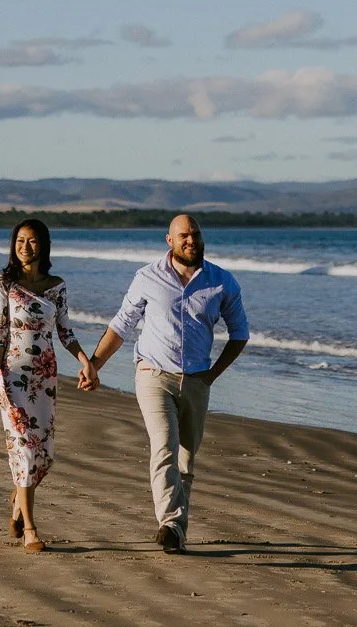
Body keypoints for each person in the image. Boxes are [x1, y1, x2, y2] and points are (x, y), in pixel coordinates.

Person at [78, 214, 249, 553]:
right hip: (153, 375)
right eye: (184, 235)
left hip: (197, 380)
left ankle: (176, 532)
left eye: (196, 234)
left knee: (186, 459)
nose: (192, 240)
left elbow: (240, 333)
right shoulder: (147, 277)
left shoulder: (222, 282)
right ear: (169, 240)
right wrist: (94, 365)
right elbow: (121, 325)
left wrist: (212, 375)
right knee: (164, 446)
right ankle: (169, 522)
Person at [0, 218, 89, 552]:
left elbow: (65, 332)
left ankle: (19, 498)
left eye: (31, 241)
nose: (24, 247)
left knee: (44, 455)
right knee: (25, 449)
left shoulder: (56, 286)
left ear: (43, 245)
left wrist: (85, 361)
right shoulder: (4, 283)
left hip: (45, 377)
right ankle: (30, 528)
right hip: (14, 376)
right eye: (19, 241)